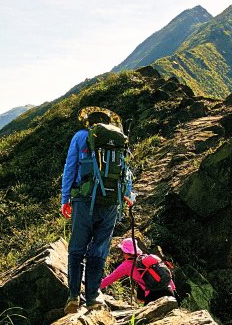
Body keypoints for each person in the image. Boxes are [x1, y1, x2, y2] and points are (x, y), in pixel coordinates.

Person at [61, 107, 133, 313]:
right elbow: (125, 170)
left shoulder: (80, 136)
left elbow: (70, 167)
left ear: (89, 122)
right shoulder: (120, 139)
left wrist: (65, 198)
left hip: (84, 199)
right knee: (99, 248)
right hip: (111, 201)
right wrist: (128, 195)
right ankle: (93, 296)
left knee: (77, 247)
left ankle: (73, 296)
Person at [100, 238, 177, 304]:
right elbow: (163, 272)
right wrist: (173, 289)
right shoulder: (146, 257)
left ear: (124, 252)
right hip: (168, 289)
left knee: (147, 320)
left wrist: (93, 289)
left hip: (153, 294)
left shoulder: (126, 265)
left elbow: (109, 279)